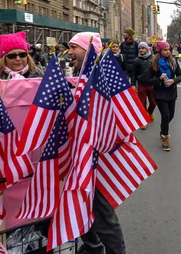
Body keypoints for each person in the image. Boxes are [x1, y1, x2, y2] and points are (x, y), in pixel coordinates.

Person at [69, 32, 125, 254]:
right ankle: (92, 247)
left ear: (89, 49)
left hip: (96, 159)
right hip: (81, 157)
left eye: (74, 47)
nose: (69, 52)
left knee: (103, 215)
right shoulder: (84, 73)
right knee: (82, 207)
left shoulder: (100, 75)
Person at [145, 41, 181, 151]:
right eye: (165, 50)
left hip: (171, 92)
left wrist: (174, 80)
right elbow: (147, 80)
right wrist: (159, 79)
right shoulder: (153, 63)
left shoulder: (174, 62)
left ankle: (163, 128)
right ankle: (165, 138)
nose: (168, 52)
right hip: (159, 93)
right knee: (165, 115)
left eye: (168, 50)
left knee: (171, 115)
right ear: (160, 51)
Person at [134, 42, 156, 130]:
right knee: (142, 104)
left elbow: (156, 71)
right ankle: (144, 120)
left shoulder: (153, 59)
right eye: (139, 48)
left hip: (151, 84)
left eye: (143, 48)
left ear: (147, 49)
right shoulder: (136, 60)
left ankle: (150, 112)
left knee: (153, 103)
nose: (141, 50)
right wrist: (133, 84)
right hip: (141, 84)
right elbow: (134, 74)